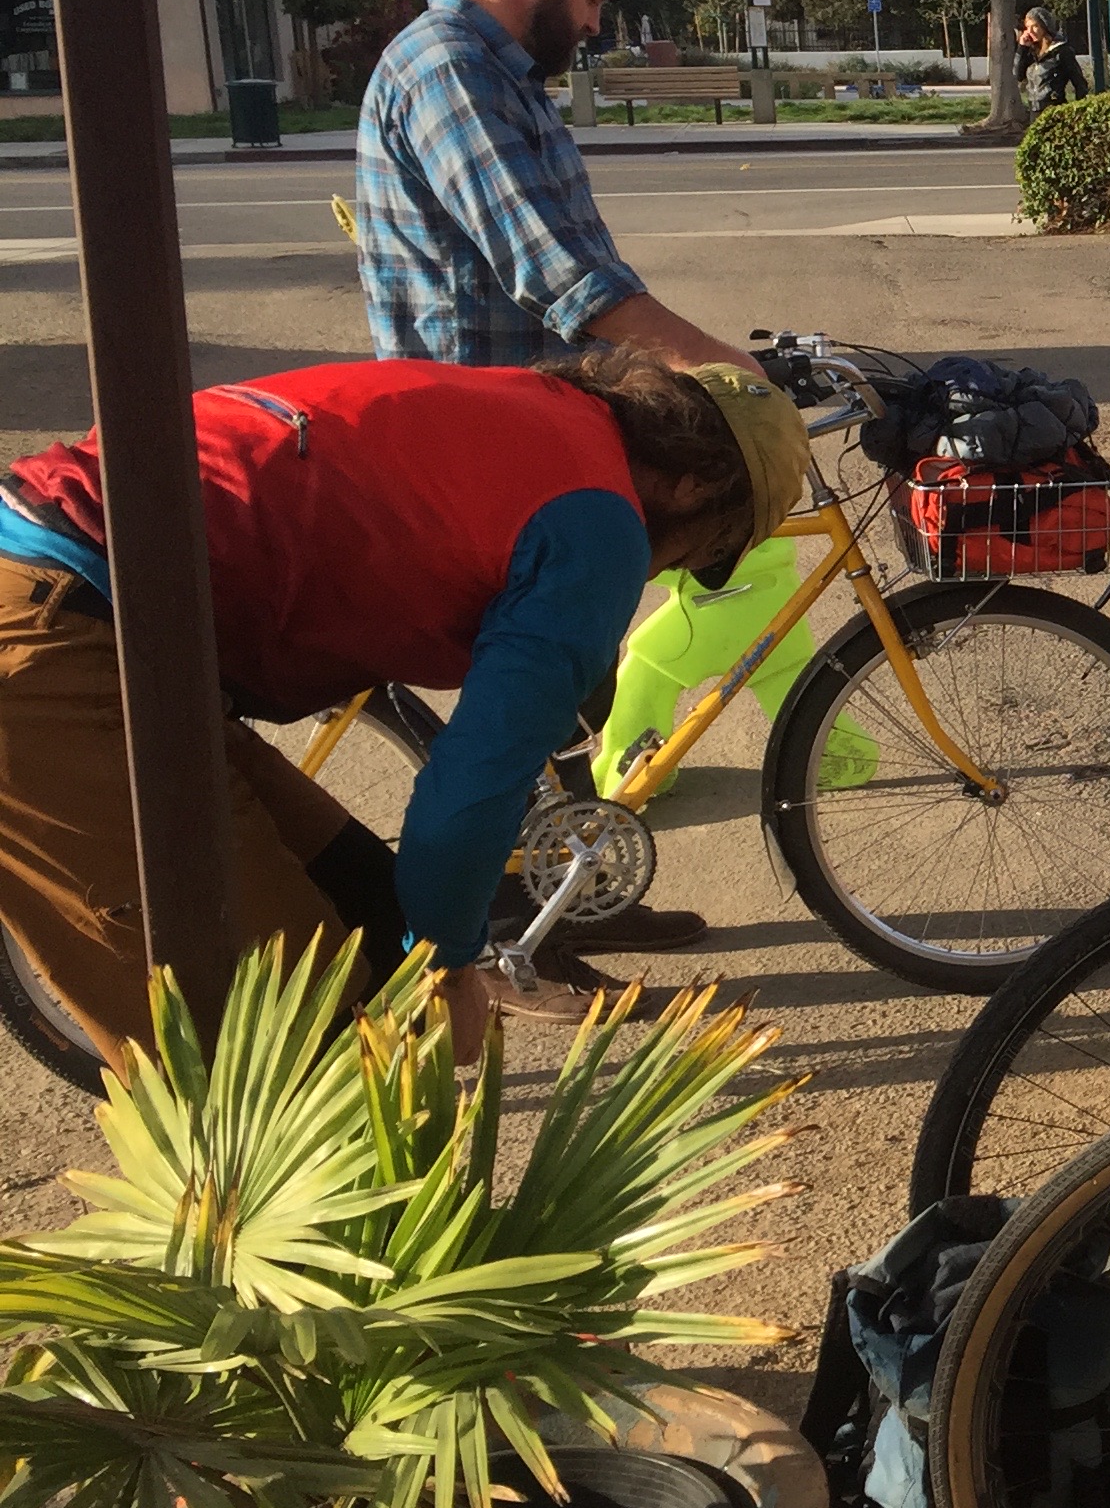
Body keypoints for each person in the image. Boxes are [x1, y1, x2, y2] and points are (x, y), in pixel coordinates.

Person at [0, 350, 810, 1069]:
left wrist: (432, 949)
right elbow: (472, 788)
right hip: (54, 636)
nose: (672, 572)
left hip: (107, 615)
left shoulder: (549, 410)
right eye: (707, 549)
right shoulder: (599, 523)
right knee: (311, 1041)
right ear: (692, 486)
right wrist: (452, 965)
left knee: (374, 919)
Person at [353, 0, 811, 987]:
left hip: (532, 420)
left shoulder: (496, 72)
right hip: (477, 439)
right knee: (534, 680)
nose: (599, 24)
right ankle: (507, 950)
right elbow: (559, 273)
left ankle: (568, 897)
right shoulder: (450, 69)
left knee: (580, 669)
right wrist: (725, 372)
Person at [1017, 7, 1088, 108]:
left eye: (1035, 26)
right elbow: (1018, 75)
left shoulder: (1062, 51)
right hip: (1033, 110)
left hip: (1054, 109)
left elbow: (1079, 83)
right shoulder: (1031, 52)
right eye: (1028, 27)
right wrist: (1022, 48)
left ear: (1045, 27)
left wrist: (1079, 110)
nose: (1031, 31)